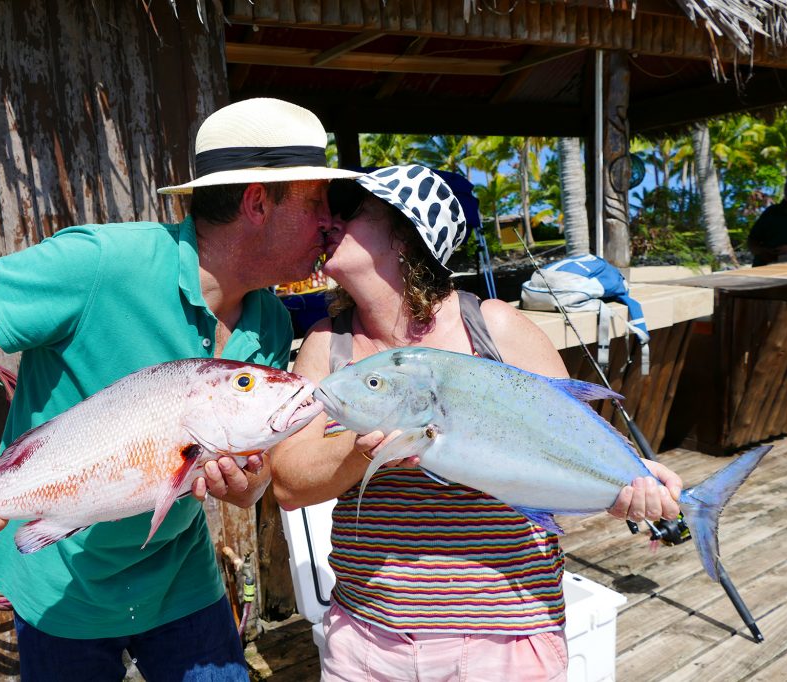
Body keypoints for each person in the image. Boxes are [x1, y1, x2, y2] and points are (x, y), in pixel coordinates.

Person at [0, 97, 361, 681]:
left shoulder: (269, 319)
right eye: (317, 201)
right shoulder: (99, 264)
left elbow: (253, 466)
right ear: (257, 202)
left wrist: (249, 482)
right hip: (63, 590)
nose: (330, 221)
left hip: (182, 583)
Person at [269, 165, 683, 682]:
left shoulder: (495, 327)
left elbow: (578, 438)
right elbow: (287, 482)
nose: (328, 219)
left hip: (504, 638)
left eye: (350, 209)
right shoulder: (326, 347)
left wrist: (638, 477)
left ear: (405, 232)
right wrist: (365, 445)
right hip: (369, 640)